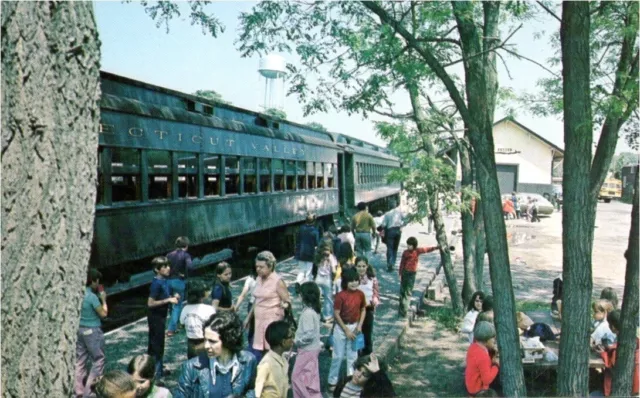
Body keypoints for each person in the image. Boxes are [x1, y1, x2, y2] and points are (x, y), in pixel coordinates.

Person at [174, 312, 258, 398]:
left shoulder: (249, 361)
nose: (206, 346)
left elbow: (252, 390)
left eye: (212, 341)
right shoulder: (191, 367)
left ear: (228, 341)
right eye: (205, 340)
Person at [246, 251, 291, 363]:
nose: (258, 269)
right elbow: (257, 300)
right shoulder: (258, 279)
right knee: (259, 349)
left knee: (271, 350)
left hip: (272, 321)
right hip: (259, 321)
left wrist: (284, 305)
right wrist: (248, 318)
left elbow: (287, 301)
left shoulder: (278, 281)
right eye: (257, 266)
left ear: (270, 266)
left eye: (261, 267)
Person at [328, 268, 367, 390]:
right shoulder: (341, 296)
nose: (354, 283)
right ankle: (332, 380)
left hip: (355, 327)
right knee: (337, 356)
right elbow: (336, 313)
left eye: (356, 280)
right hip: (341, 328)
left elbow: (363, 309)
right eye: (351, 281)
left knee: (353, 356)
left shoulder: (360, 294)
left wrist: (359, 325)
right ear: (345, 282)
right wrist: (346, 330)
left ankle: (351, 379)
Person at [75, 268, 109, 398]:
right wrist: (104, 300)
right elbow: (103, 314)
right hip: (92, 331)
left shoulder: (78, 294)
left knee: (80, 361)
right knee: (98, 360)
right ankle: (89, 393)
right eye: (97, 282)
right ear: (92, 281)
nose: (98, 285)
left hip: (80, 330)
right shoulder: (92, 297)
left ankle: (78, 392)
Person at [594, 310, 640, 397]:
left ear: (613, 327)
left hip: (618, 386)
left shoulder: (622, 345)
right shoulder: (634, 339)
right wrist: (608, 348)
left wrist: (603, 354)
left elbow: (614, 367)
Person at [147, 257, 179, 380]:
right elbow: (150, 303)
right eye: (164, 267)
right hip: (155, 318)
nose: (168, 268)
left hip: (161, 317)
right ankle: (156, 374)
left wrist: (173, 296)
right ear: (157, 269)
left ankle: (155, 369)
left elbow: (165, 295)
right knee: (157, 346)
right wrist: (168, 300)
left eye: (168, 266)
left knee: (157, 344)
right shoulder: (156, 284)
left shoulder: (164, 280)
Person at [291, 282, 323, 398]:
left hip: (306, 351)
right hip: (312, 350)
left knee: (296, 377)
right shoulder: (313, 311)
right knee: (310, 379)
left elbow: (309, 335)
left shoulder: (308, 313)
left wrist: (296, 341)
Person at [398, 237, 438, 318]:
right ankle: (402, 307)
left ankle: (404, 309)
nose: (408, 247)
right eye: (408, 245)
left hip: (412, 274)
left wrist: (436, 247)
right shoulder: (405, 252)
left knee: (408, 291)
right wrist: (400, 273)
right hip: (405, 273)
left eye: (410, 245)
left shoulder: (417, 251)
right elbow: (402, 263)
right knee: (403, 290)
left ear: (414, 246)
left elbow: (426, 249)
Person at [255, 321, 294, 398]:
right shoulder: (266, 364)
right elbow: (257, 392)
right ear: (283, 342)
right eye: (291, 337)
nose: (293, 340)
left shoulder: (283, 360)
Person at [179, 280, 215, 359]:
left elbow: (181, 324)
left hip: (191, 343)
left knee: (192, 365)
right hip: (205, 342)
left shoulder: (185, 309)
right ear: (203, 295)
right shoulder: (209, 309)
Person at [166, 237, 193, 337]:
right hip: (178, 281)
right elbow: (190, 267)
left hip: (167, 281)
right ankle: (171, 329)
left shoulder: (169, 255)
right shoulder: (186, 255)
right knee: (177, 305)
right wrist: (184, 275)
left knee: (170, 304)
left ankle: (177, 323)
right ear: (186, 246)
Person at [465, 321, 500, 396]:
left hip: (471, 385)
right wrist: (496, 366)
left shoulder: (473, 347)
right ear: (487, 340)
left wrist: (492, 354)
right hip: (478, 390)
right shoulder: (483, 357)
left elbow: (479, 365)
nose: (494, 341)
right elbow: (487, 380)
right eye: (493, 339)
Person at [355, 257, 380, 356]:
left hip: (368, 308)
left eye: (363, 266)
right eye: (359, 266)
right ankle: (356, 354)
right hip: (356, 309)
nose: (361, 269)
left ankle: (367, 355)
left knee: (367, 332)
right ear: (355, 267)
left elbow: (376, 292)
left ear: (367, 266)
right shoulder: (353, 278)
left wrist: (375, 300)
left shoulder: (372, 278)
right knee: (357, 332)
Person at [295, 214, 321, 293]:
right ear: (314, 221)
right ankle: (307, 287)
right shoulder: (315, 231)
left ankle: (298, 282)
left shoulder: (301, 228)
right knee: (309, 271)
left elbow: (297, 239)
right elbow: (317, 243)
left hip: (300, 252)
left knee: (301, 270)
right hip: (310, 252)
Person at [314, 242, 338, 323]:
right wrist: (333, 279)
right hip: (327, 279)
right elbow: (334, 271)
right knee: (328, 299)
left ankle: (315, 315)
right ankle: (327, 316)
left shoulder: (318, 256)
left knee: (317, 298)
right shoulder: (331, 257)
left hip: (318, 278)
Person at [380, 200, 405, 272]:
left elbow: (383, 224)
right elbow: (406, 219)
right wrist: (402, 225)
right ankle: (393, 263)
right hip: (398, 231)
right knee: (395, 248)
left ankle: (389, 263)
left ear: (389, 206)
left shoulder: (387, 214)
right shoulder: (399, 212)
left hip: (390, 231)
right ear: (395, 205)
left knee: (390, 247)